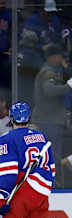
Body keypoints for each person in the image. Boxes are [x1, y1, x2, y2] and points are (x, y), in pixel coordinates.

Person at [32, 45, 72, 187]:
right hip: (48, 122)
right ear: (54, 57)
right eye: (60, 56)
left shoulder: (51, 71)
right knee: (51, 156)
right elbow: (49, 91)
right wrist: (69, 86)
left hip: (49, 120)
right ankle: (51, 185)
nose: (62, 59)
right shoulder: (48, 71)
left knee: (50, 155)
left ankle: (50, 184)